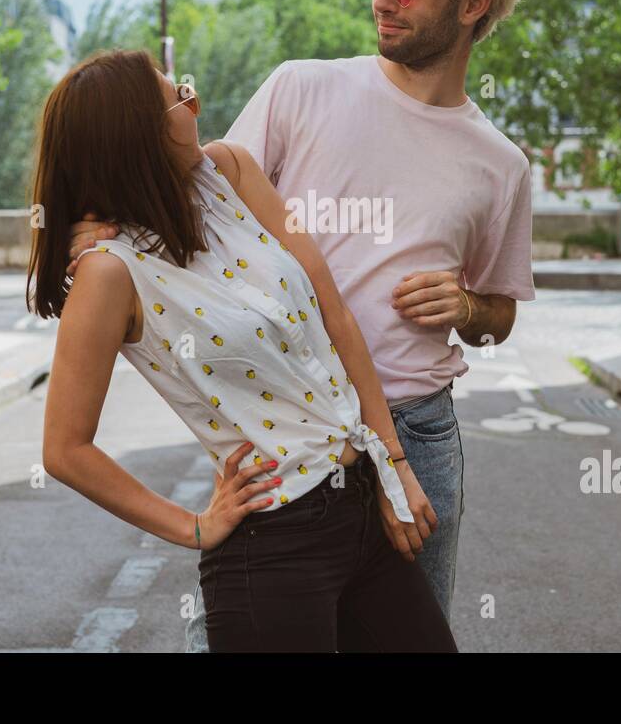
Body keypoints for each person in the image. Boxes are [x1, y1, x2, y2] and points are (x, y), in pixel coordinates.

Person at [67, 0, 538, 652]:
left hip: (415, 429)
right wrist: (86, 223)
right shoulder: (300, 89)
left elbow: (503, 313)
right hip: (292, 430)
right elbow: (193, 201)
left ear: (473, 4)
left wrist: (468, 307)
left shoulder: (501, 165)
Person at [32, 47, 457, 652]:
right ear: (133, 139)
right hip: (275, 545)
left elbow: (333, 312)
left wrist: (396, 468)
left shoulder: (231, 173)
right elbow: (65, 449)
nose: (194, 101)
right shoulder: (109, 273)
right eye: (177, 99)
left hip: (363, 506)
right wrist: (195, 526)